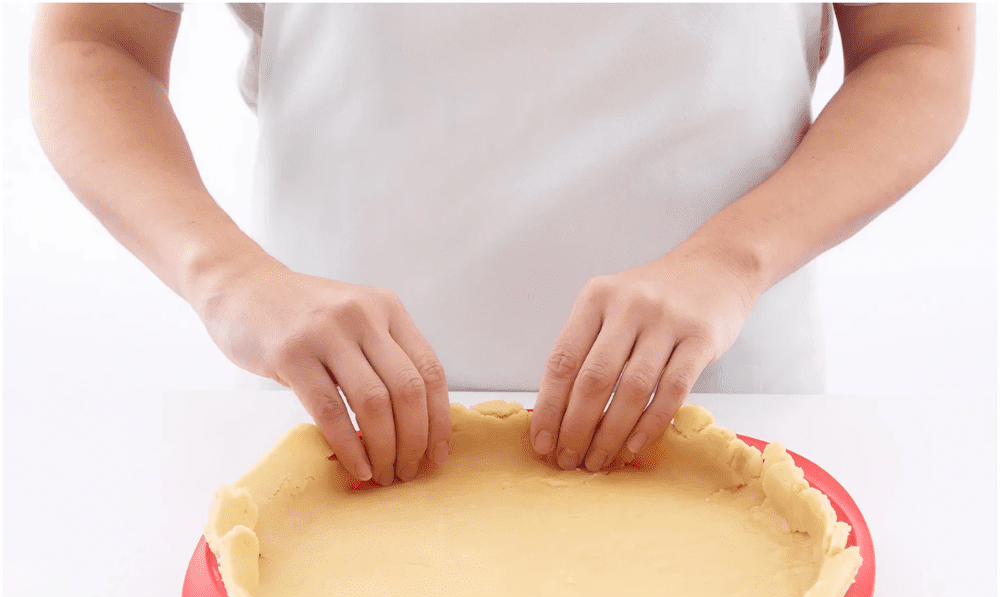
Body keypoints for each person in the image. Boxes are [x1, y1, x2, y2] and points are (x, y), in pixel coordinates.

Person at [30, 3, 974, 487]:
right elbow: (94, 40)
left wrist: (731, 262)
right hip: (332, 425)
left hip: (715, 410)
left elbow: (916, 45)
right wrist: (227, 280)